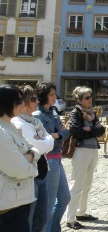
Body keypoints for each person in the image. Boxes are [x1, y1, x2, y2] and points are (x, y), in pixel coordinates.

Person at [0, 84, 40, 232]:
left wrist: (29, 155)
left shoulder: (11, 126)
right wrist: (33, 164)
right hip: (8, 207)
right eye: (19, 101)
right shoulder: (2, 131)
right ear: (7, 103)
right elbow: (19, 169)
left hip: (19, 201)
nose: (23, 103)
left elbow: (35, 149)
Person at [33, 82, 71, 232]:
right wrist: (57, 135)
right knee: (49, 204)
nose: (55, 97)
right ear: (44, 96)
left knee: (64, 198)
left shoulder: (53, 112)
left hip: (57, 158)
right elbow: (45, 139)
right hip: (49, 160)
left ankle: (54, 228)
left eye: (55, 94)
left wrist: (57, 134)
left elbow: (65, 133)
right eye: (52, 94)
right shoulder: (38, 115)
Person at [9, 85, 47, 232]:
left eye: (36, 98)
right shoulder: (18, 123)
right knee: (29, 220)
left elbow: (48, 141)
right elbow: (39, 147)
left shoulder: (34, 121)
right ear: (23, 102)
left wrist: (44, 141)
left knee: (42, 217)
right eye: (33, 99)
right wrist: (40, 145)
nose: (37, 101)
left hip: (42, 171)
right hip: (31, 176)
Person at [65, 87, 105, 229]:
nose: (90, 99)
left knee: (87, 185)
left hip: (93, 150)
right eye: (87, 97)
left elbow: (101, 130)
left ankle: (81, 212)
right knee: (77, 184)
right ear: (79, 100)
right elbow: (76, 131)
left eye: (90, 96)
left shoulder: (92, 112)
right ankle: (70, 218)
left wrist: (90, 129)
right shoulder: (75, 113)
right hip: (81, 150)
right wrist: (92, 131)